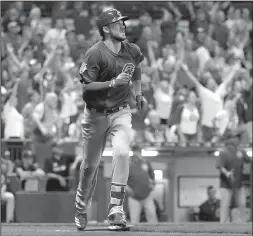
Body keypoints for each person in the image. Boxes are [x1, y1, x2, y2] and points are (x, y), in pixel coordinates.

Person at [74, 9, 146, 231]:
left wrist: (139, 93)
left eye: (123, 23)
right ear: (105, 29)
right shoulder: (95, 53)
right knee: (90, 167)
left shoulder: (132, 50)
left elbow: (137, 69)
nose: (123, 26)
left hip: (121, 111)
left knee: (123, 152)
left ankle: (116, 210)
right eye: (117, 23)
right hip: (95, 115)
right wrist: (113, 83)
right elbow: (85, 86)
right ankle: (80, 205)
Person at [216, 129, 252, 223]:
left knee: (242, 204)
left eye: (237, 137)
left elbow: (249, 161)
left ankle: (243, 225)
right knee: (225, 205)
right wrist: (227, 172)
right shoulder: (223, 152)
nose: (237, 139)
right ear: (229, 139)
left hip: (239, 184)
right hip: (226, 185)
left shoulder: (241, 151)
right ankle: (222, 226)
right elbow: (220, 166)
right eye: (235, 137)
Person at [126, 145, 158, 223]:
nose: (138, 153)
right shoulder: (128, 164)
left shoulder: (146, 162)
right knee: (134, 219)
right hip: (134, 197)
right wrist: (127, 188)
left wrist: (153, 184)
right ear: (133, 152)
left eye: (139, 151)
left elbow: (152, 175)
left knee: (152, 216)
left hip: (147, 195)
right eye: (136, 151)